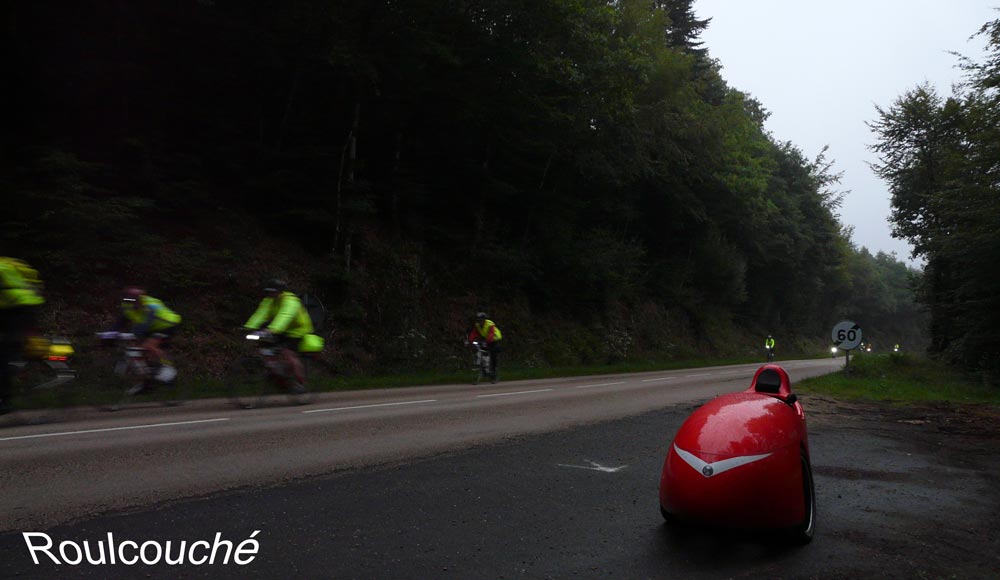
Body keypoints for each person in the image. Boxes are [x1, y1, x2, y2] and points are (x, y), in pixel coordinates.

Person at [105, 286, 181, 391]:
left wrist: (131, 335)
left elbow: (144, 326)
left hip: (167, 324)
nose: (132, 303)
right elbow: (121, 321)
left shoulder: (151, 305)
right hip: (151, 327)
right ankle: (145, 382)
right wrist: (109, 334)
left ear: (141, 299)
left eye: (135, 300)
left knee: (149, 345)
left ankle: (168, 369)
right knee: (137, 351)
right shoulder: (127, 304)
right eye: (128, 300)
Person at [244, 279, 312, 390]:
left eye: (273, 291)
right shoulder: (269, 300)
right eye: (268, 291)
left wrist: (272, 330)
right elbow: (261, 313)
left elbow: (285, 316)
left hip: (298, 329)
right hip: (281, 328)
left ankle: (301, 382)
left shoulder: (291, 301)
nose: (270, 294)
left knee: (288, 353)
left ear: (280, 291)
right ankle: (278, 374)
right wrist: (249, 327)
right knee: (266, 347)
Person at [0, 257, 45, 414]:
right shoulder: (7, 263)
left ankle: (5, 400)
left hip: (18, 309)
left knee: (5, 353)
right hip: (18, 307)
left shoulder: (2, 267)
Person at [468, 312, 502, 381]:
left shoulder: (490, 324)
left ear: (484, 320)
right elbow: (473, 334)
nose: (479, 322)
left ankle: (494, 371)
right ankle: (484, 368)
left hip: (495, 339)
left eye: (481, 320)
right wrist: (470, 341)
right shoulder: (477, 325)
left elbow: (491, 334)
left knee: (493, 354)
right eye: (478, 320)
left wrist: (486, 341)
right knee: (481, 350)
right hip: (486, 339)